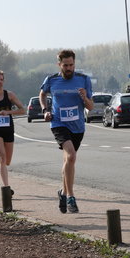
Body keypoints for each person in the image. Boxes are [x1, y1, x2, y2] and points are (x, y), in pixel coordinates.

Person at [39, 49, 93, 213]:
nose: (69, 68)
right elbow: (42, 94)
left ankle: (62, 192)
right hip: (58, 123)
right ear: (59, 65)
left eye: (71, 65)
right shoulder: (51, 80)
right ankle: (70, 196)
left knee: (68, 161)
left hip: (77, 126)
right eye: (66, 65)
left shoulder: (83, 80)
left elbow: (91, 107)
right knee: (71, 155)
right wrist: (45, 110)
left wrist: (84, 98)